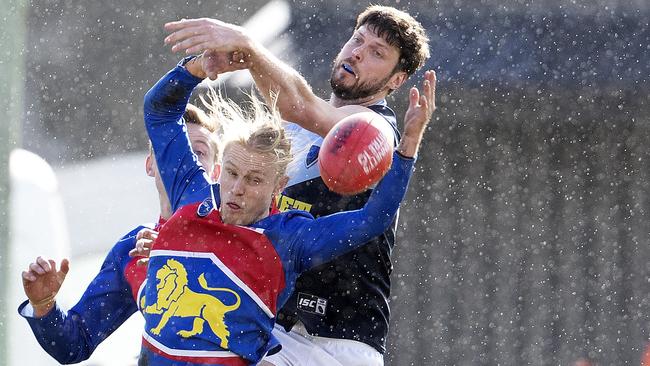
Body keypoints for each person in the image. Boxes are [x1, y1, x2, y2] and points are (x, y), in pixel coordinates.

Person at [135, 29, 433, 364]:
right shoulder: (281, 142)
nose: (359, 53)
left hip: (342, 341)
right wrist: (181, 244)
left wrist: (246, 47)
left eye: (378, 52)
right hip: (277, 331)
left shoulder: (375, 131)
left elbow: (302, 107)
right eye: (357, 40)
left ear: (397, 80)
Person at [18, 105, 221, 364]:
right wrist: (45, 307)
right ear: (150, 165)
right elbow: (75, 343)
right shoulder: (132, 249)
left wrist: (174, 249)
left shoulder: (240, 231)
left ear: (216, 172)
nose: (184, 164)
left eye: (198, 154)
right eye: (172, 152)